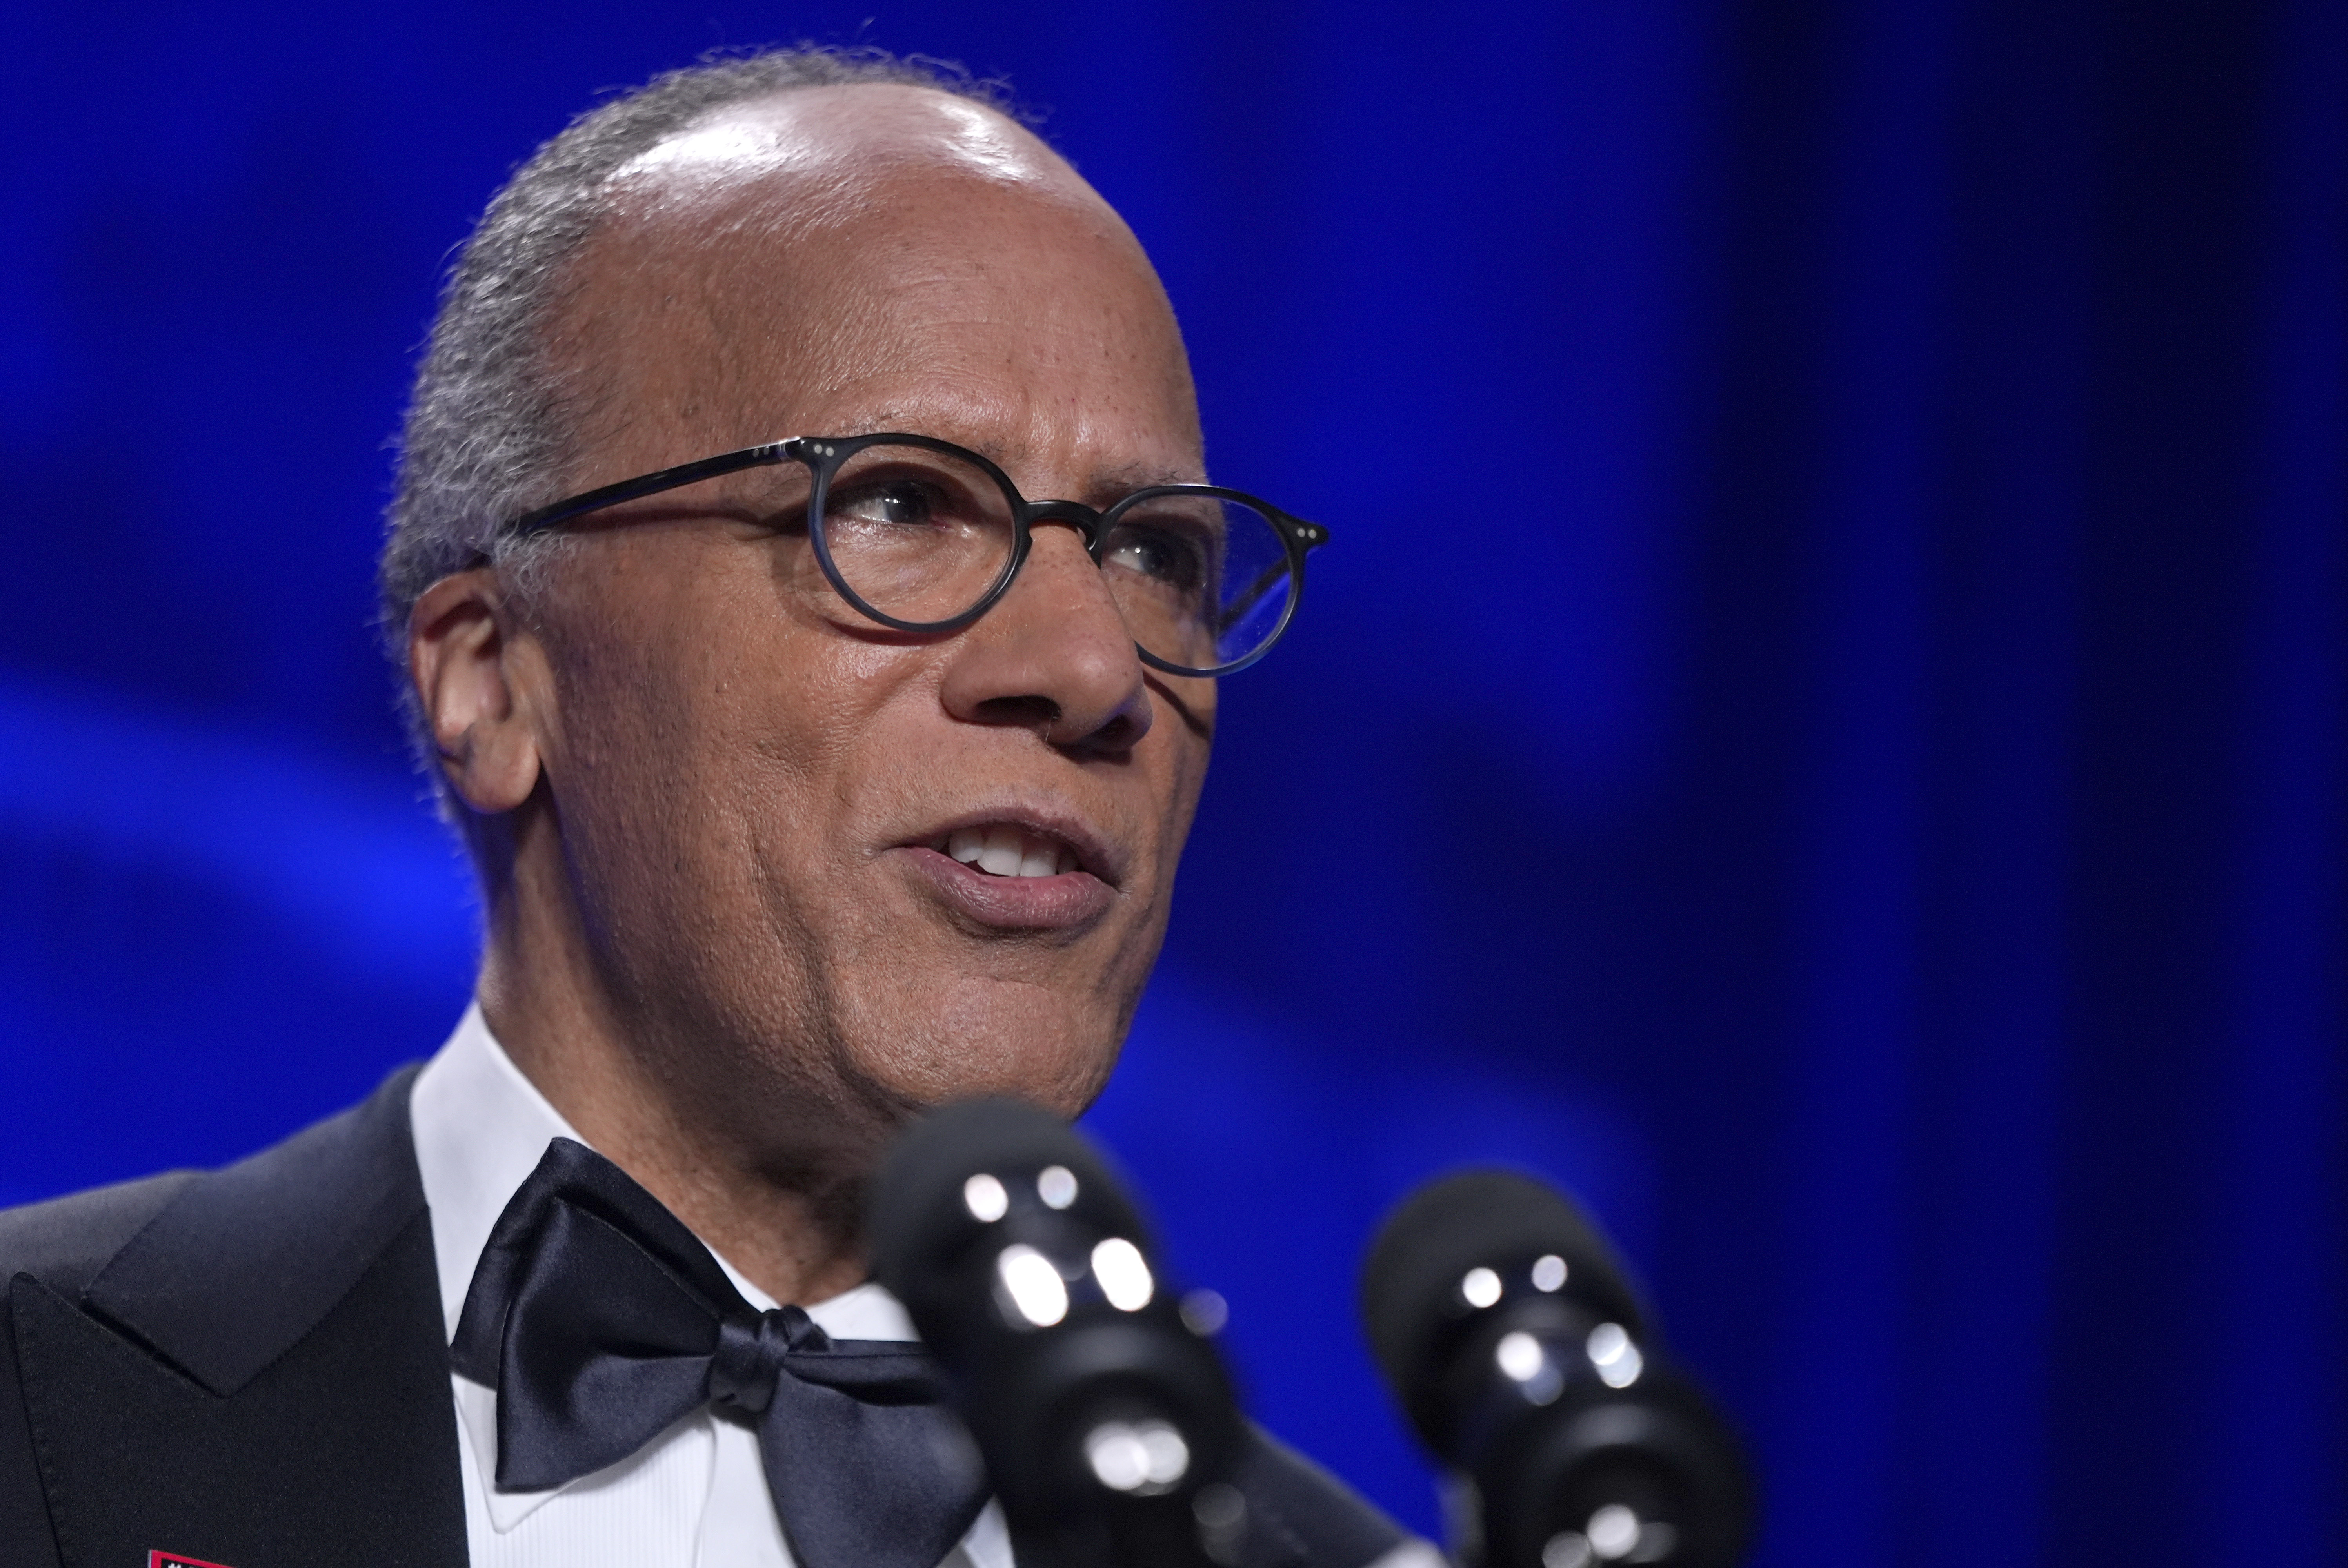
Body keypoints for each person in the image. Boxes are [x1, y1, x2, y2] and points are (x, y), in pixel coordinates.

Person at [0, 46, 1418, 1568]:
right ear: (493, 677)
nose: (1091, 669)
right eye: (898, 502)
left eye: (1159, 553)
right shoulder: (38, 1406)